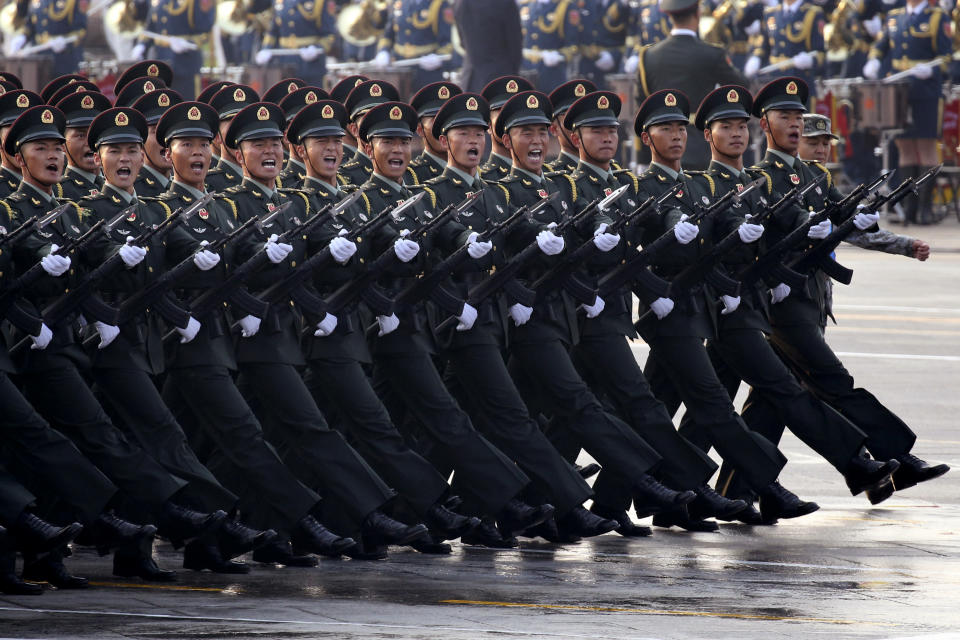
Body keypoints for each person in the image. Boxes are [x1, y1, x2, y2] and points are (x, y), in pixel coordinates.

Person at [2, 105, 229, 582]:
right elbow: (26, 264)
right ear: (19, 159)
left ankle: (72, 544)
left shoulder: (70, 210)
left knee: (84, 438)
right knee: (63, 439)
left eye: (56, 147)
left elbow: (94, 255)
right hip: (32, 343)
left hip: (76, 340)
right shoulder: (13, 209)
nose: (52, 155)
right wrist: (35, 309)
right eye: (39, 147)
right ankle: (142, 517)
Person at [415, 92, 619, 541]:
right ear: (442, 140)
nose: (473, 141)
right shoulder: (431, 192)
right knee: (505, 418)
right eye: (462, 133)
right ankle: (565, 505)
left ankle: (473, 511)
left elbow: (508, 254)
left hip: (493, 319)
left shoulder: (492, 193)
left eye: (477, 133)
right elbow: (426, 260)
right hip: (453, 323)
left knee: (466, 422)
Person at [737, 77, 950, 506]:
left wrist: (880, 230)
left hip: (809, 298)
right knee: (833, 381)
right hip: (781, 302)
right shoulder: (757, 178)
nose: (795, 126)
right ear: (765, 124)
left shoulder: (813, 174)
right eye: (786, 118)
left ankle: (743, 490)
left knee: (772, 400)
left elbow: (844, 220)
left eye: (799, 117)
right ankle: (896, 456)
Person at [630, 89, 819, 524]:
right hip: (665, 313)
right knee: (709, 403)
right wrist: (651, 290)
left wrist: (733, 271)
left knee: (651, 406)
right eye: (666, 128)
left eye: (680, 128)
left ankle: (651, 500)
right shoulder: (640, 186)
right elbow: (626, 251)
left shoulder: (699, 186)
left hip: (698, 311)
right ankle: (760, 485)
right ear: (645, 136)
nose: (676, 136)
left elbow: (710, 245)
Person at [863, 0, 952, 225]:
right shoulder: (894, 17)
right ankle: (909, 208)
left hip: (926, 89)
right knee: (905, 147)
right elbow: (881, 45)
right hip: (898, 90)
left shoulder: (936, 16)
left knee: (925, 145)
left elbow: (947, 57)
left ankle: (925, 208)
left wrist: (931, 68)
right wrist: (873, 60)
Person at [634, 0, 747, 169]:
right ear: (697, 14)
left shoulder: (648, 55)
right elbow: (741, 88)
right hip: (703, 148)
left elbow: (642, 109)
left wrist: (642, 158)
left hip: (660, 149)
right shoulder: (712, 54)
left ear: (670, 16)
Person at [129, 0, 213, 99]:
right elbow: (150, 29)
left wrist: (187, 43)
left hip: (186, 65)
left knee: (187, 106)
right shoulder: (158, 2)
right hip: (162, 65)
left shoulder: (192, 2)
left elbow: (205, 32)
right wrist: (142, 45)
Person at [373, 0, 458, 90]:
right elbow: (387, 36)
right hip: (399, 70)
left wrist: (439, 59)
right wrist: (383, 51)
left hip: (427, 73)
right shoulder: (398, 2)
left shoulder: (440, 4)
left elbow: (448, 41)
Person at [744, 0, 825, 94]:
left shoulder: (812, 13)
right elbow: (763, 47)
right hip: (774, 79)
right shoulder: (770, 13)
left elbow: (821, 54)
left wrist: (810, 60)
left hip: (800, 80)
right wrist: (756, 58)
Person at [453, 0, 523, 92]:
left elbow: (463, 42)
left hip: (470, 79)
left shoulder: (460, 2)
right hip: (500, 78)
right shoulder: (505, 3)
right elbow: (515, 44)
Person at [55, 91, 111, 202]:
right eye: (81, 135)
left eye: (95, 134)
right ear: (62, 144)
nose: (89, 142)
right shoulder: (58, 191)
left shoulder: (118, 185)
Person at [517, 0, 584, 93]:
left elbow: (573, 44)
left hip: (552, 73)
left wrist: (559, 55)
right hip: (526, 70)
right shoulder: (526, 5)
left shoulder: (566, 6)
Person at [479, 76, 535, 181]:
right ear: (488, 125)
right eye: (504, 114)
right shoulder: (484, 181)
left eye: (518, 114)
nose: (512, 122)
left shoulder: (547, 174)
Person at [409, 82, 461, 183]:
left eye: (450, 120)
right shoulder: (411, 176)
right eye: (436, 121)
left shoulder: (474, 171)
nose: (444, 128)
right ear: (420, 130)